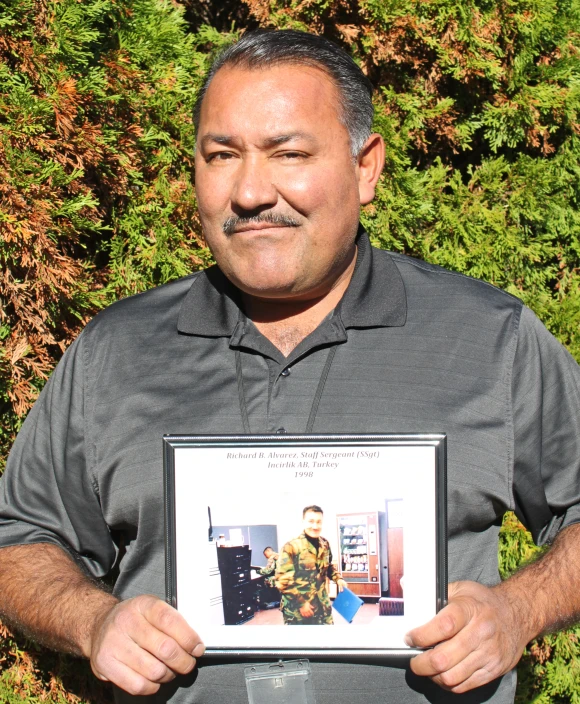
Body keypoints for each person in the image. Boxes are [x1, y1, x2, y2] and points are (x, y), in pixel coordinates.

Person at [0, 27, 579, 704]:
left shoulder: (488, 339)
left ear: (366, 168)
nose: (250, 192)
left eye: (289, 153)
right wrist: (95, 622)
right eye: (222, 155)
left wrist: (517, 612)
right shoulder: (115, 353)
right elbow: (21, 541)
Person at [275, 506, 347, 625]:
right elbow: (283, 581)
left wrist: (338, 578)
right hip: (298, 611)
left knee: (327, 641)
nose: (315, 526)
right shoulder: (291, 547)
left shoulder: (324, 544)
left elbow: (328, 566)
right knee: (303, 643)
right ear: (303, 522)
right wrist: (301, 603)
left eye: (319, 522)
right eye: (311, 521)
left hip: (322, 605)